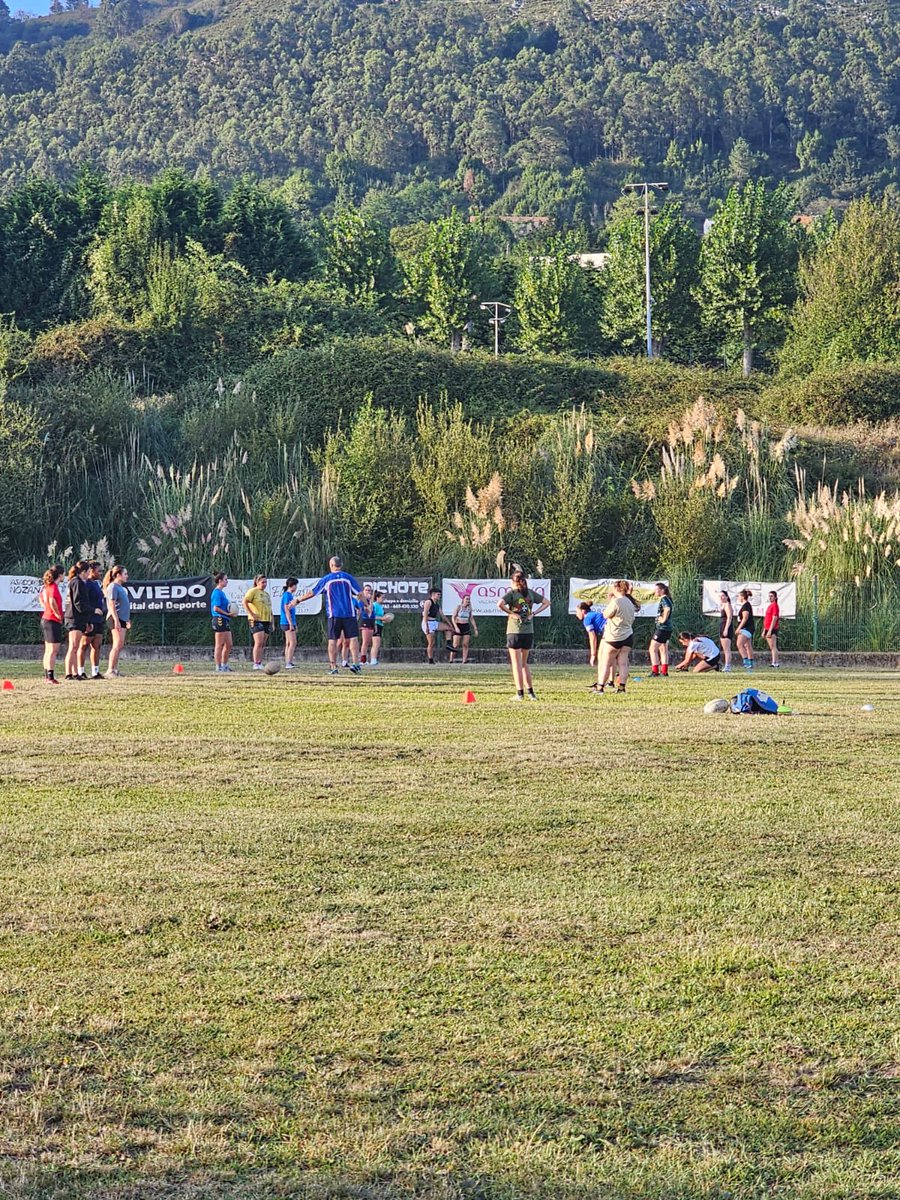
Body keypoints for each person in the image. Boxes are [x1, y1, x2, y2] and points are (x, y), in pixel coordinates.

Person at [297, 555, 363, 675]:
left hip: (334, 614)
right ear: (341, 565)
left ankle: (333, 666)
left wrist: (298, 600)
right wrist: (365, 605)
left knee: (332, 640)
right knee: (353, 638)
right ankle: (356, 664)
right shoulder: (348, 578)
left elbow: (312, 592)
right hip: (349, 613)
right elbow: (360, 594)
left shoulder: (327, 579)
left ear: (331, 565)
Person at [498, 569, 549, 701]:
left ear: (513, 582)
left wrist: (511, 613)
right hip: (528, 631)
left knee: (516, 664)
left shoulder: (513, 593)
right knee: (524, 664)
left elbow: (500, 604)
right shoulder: (530, 593)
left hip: (514, 630)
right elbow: (547, 602)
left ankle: (519, 694)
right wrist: (534, 613)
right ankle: (531, 693)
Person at [596, 580, 640, 695]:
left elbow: (606, 615)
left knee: (606, 663)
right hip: (628, 636)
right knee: (623, 663)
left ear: (617, 589)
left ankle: (600, 687)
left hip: (614, 636)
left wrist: (610, 601)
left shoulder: (616, 602)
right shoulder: (630, 603)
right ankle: (622, 687)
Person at [63, 561, 94, 681]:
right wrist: (91, 610)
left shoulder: (77, 582)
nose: (88, 575)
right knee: (73, 646)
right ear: (83, 572)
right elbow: (78, 603)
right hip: (74, 618)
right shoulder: (77, 582)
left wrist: (86, 620)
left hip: (79, 618)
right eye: (88, 572)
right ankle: (69, 673)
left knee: (75, 647)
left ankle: (76, 673)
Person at [103, 564, 131, 678]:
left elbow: (123, 605)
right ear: (118, 575)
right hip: (115, 618)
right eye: (125, 574)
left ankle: (114, 669)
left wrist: (127, 619)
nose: (127, 576)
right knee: (116, 644)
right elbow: (111, 604)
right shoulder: (113, 587)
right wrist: (116, 620)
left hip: (122, 618)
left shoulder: (121, 588)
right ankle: (110, 670)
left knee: (120, 645)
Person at [38, 564, 64, 685]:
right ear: (60, 575)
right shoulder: (53, 587)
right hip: (52, 620)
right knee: (53, 649)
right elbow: (52, 601)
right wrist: (57, 613)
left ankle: (47, 675)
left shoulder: (47, 587)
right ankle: (50, 677)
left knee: (48, 649)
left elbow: (41, 599)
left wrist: (45, 608)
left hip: (46, 618)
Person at [83, 561, 108, 680]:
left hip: (98, 618)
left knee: (97, 645)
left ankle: (95, 671)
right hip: (90, 617)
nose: (101, 573)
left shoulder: (97, 583)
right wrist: (92, 612)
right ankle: (80, 670)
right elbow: (84, 602)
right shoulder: (86, 584)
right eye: (99, 570)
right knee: (84, 645)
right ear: (91, 571)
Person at [244, 574, 273, 670]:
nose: (264, 584)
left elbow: (269, 608)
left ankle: (260, 662)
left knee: (263, 643)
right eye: (262, 582)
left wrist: (272, 621)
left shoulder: (266, 594)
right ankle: (255, 663)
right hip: (256, 620)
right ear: (257, 582)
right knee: (258, 642)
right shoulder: (253, 591)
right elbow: (245, 602)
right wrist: (252, 614)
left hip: (266, 620)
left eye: (266, 582)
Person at [421, 587, 454, 664]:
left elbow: (443, 616)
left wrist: (450, 625)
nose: (439, 596)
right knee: (431, 643)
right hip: (428, 623)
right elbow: (425, 614)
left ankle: (449, 644)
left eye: (440, 594)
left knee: (448, 629)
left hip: (434, 622)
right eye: (438, 594)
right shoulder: (428, 602)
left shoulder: (437, 605)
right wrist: (426, 626)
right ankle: (430, 660)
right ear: (433, 594)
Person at [210, 571, 234, 672]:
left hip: (225, 619)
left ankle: (224, 665)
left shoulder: (222, 592)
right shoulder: (216, 592)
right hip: (219, 619)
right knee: (219, 644)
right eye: (225, 579)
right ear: (220, 581)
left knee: (229, 644)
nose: (227, 581)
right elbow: (215, 608)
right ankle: (218, 666)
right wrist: (227, 613)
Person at [649, 582, 673, 677]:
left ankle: (655, 671)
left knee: (652, 649)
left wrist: (663, 619)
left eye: (656, 590)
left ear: (662, 590)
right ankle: (664, 671)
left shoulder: (664, 599)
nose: (655, 592)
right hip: (668, 628)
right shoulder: (669, 598)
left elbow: (667, 609)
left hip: (662, 628)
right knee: (663, 649)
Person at [451, 592, 478, 664]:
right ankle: (451, 659)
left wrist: (475, 628)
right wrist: (456, 627)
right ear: (463, 600)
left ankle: (464, 660)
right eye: (466, 599)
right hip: (458, 625)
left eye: (469, 599)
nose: (468, 601)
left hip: (466, 626)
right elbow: (453, 618)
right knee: (456, 645)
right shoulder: (458, 607)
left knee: (465, 644)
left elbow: (471, 618)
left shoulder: (469, 608)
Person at [279, 577, 299, 669]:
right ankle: (288, 663)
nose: (296, 587)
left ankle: (288, 661)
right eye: (296, 585)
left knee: (288, 643)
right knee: (293, 642)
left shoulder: (288, 595)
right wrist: (291, 623)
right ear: (292, 585)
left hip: (286, 622)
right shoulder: (287, 595)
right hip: (287, 622)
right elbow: (287, 610)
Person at [735, 588, 755, 671]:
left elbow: (745, 618)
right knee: (747, 645)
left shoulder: (746, 606)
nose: (738, 598)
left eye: (739, 596)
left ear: (742, 597)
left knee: (739, 644)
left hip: (746, 628)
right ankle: (751, 662)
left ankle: (746, 662)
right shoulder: (746, 605)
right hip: (748, 628)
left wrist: (738, 628)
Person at [358, 584, 377, 664]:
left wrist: (375, 624)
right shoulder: (362, 601)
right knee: (365, 642)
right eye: (366, 590)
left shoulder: (371, 601)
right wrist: (370, 604)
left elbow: (373, 613)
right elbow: (368, 611)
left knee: (368, 642)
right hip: (365, 621)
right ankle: (362, 660)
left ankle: (365, 659)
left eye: (369, 590)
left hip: (371, 621)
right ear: (363, 591)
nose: (368, 592)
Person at [763, 590, 781, 668]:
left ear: (775, 597)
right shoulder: (770, 605)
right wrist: (765, 630)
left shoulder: (775, 606)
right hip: (767, 627)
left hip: (772, 628)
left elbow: (774, 618)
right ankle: (775, 662)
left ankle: (775, 662)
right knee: (771, 646)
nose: (770, 598)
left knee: (773, 646)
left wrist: (770, 630)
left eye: (772, 596)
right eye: (769, 596)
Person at [719, 589, 735, 673]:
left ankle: (728, 666)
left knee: (727, 649)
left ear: (726, 597)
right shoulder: (723, 605)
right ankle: (726, 665)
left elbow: (729, 617)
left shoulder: (727, 605)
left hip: (726, 627)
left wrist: (726, 629)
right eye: (720, 596)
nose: (721, 598)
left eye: (723, 596)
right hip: (722, 626)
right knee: (724, 648)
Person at [370, 590, 386, 666]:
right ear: (377, 597)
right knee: (375, 643)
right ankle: (373, 660)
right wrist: (381, 619)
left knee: (378, 643)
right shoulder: (374, 605)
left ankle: (375, 659)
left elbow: (381, 617)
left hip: (380, 625)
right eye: (382, 597)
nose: (383, 599)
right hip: (375, 625)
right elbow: (373, 616)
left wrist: (384, 620)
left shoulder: (380, 606)